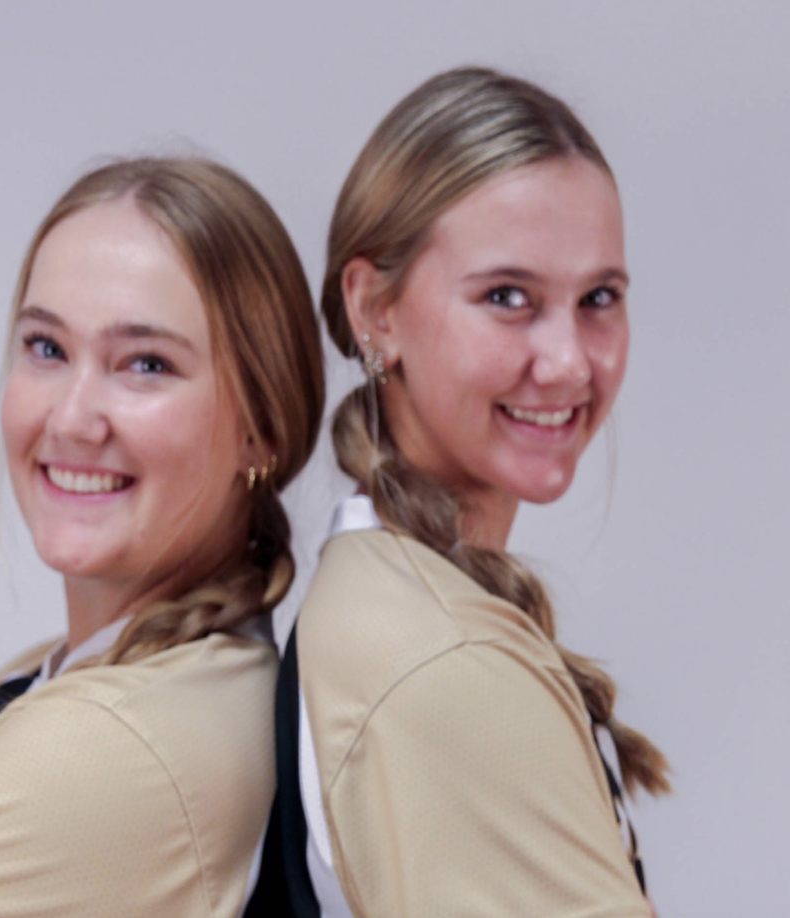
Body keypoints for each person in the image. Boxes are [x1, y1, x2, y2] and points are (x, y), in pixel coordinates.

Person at [0, 156, 325, 918]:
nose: (70, 418)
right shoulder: (70, 681)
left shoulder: (110, 744)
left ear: (263, 427)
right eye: (47, 348)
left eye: (146, 364)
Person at [250, 67, 670, 918]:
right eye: (507, 297)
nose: (569, 361)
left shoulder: (401, 599)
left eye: (599, 299)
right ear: (376, 312)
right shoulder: (440, 662)